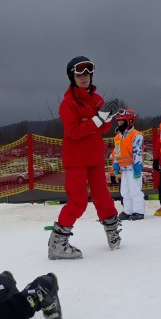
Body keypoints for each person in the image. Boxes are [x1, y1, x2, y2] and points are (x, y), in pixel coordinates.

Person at [47, 55, 121, 259]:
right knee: (78, 201)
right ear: (72, 76)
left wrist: (107, 118)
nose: (84, 77)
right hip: (76, 159)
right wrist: (98, 119)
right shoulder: (68, 103)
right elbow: (74, 132)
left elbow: (103, 128)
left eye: (87, 73)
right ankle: (58, 243)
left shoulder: (97, 100)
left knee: (103, 197)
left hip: (94, 157)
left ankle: (113, 232)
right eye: (79, 74)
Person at [112, 109, 145, 221]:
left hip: (133, 169)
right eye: (119, 122)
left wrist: (138, 166)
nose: (119, 124)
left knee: (135, 190)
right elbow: (117, 152)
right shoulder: (117, 137)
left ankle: (138, 211)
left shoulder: (136, 135)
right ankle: (128, 211)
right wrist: (116, 165)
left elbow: (137, 151)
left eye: (122, 122)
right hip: (123, 169)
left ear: (130, 121)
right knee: (124, 192)